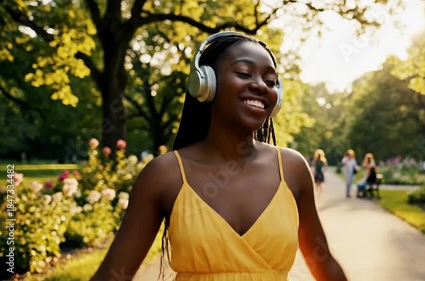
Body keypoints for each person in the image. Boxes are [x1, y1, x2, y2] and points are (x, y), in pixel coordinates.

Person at [90, 31, 347, 281]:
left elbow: (325, 266)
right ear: (206, 83)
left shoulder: (292, 169)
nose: (260, 85)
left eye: (270, 82)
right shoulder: (165, 174)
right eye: (244, 73)